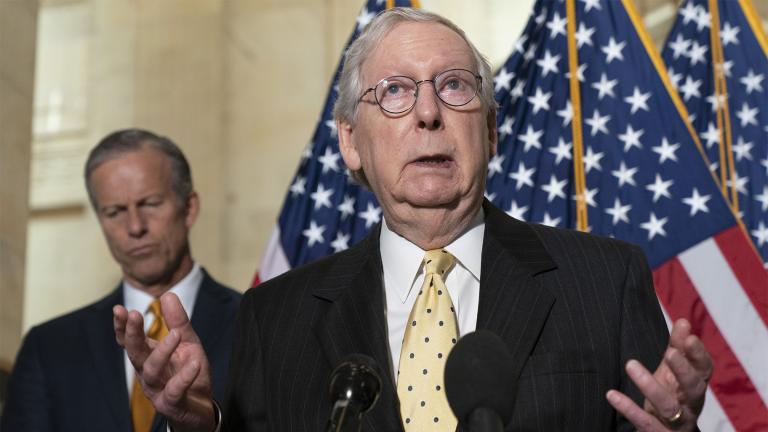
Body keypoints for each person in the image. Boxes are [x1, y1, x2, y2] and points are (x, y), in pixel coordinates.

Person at [115, 9, 712, 432]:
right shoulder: (275, 315)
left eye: (454, 87)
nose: (428, 112)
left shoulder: (604, 281)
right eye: (395, 92)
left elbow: (653, 419)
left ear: (491, 129)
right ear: (351, 142)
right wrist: (199, 425)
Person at [1, 129, 242, 432]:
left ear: (189, 208)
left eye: (150, 203)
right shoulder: (48, 347)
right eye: (115, 211)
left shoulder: (255, 324)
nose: (135, 226)